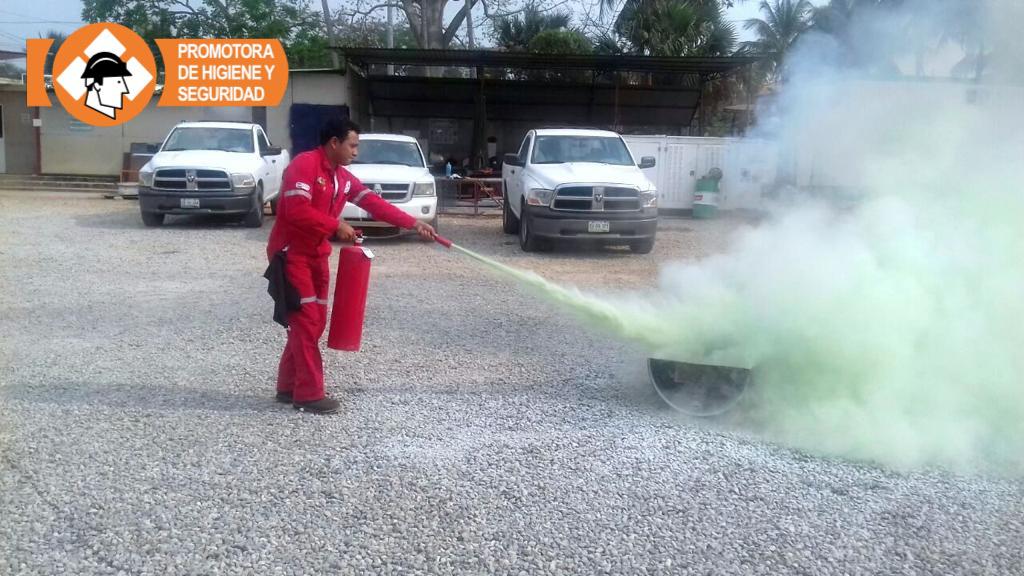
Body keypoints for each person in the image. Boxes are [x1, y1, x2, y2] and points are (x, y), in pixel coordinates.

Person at [266, 117, 436, 414]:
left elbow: (374, 203)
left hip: (317, 256)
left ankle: (288, 386)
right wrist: (336, 226)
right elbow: (295, 211)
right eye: (352, 145)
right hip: (291, 255)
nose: (356, 152)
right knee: (306, 322)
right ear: (334, 143)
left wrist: (413, 223)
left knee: (315, 321)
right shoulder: (304, 166)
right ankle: (308, 394)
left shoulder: (342, 177)